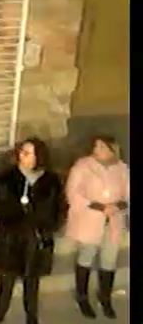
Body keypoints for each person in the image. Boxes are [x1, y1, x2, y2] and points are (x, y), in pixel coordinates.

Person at [0, 138, 65, 324]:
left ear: (38, 156)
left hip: (36, 238)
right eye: (22, 151)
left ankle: (31, 315)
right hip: (12, 238)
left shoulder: (50, 180)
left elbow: (58, 207)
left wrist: (49, 226)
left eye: (28, 152)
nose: (22, 155)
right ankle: (0, 312)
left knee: (32, 281)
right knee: (6, 281)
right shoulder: (6, 178)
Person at [65, 135, 129, 319]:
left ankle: (105, 296)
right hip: (90, 220)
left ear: (112, 149)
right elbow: (72, 193)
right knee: (87, 255)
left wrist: (117, 206)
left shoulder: (121, 168)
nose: (97, 149)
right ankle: (82, 296)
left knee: (109, 259)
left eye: (102, 146)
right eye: (96, 146)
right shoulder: (82, 166)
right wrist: (100, 206)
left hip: (114, 221)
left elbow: (127, 193)